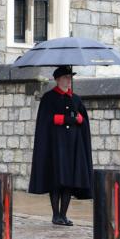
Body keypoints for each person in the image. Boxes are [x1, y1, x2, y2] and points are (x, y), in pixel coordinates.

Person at [29, 65, 93, 226]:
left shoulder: (76, 99)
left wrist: (79, 120)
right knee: (56, 181)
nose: (68, 80)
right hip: (55, 146)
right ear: (58, 80)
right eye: (66, 77)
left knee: (69, 182)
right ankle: (55, 214)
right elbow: (46, 120)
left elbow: (83, 121)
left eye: (70, 78)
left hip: (73, 146)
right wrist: (65, 119)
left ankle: (64, 214)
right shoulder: (49, 98)